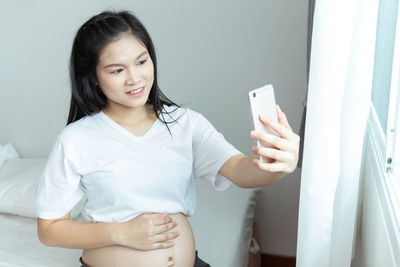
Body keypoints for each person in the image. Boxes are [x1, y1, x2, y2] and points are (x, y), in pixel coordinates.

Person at [36, 10, 300, 267]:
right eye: (117, 71)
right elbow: (49, 229)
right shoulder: (76, 139)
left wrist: (279, 165)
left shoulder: (186, 123)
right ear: (93, 77)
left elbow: (240, 170)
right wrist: (122, 233)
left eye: (141, 62)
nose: (135, 78)